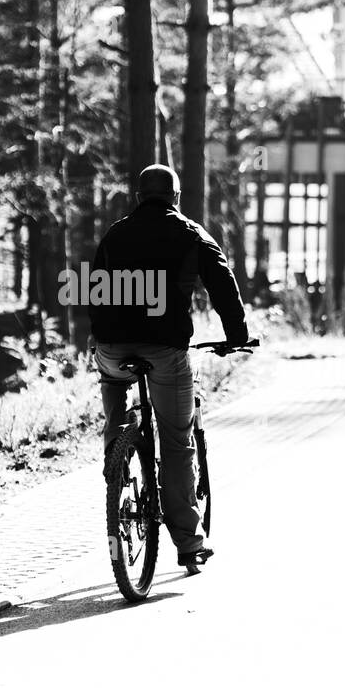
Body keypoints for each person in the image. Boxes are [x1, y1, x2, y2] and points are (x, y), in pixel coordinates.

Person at [90, 164, 249, 569]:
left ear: (139, 196)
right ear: (175, 198)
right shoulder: (190, 233)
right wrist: (238, 334)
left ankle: (117, 461)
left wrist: (102, 335)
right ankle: (189, 541)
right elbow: (223, 282)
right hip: (164, 350)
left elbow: (94, 286)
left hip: (111, 348)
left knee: (114, 390)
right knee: (177, 441)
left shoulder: (116, 232)